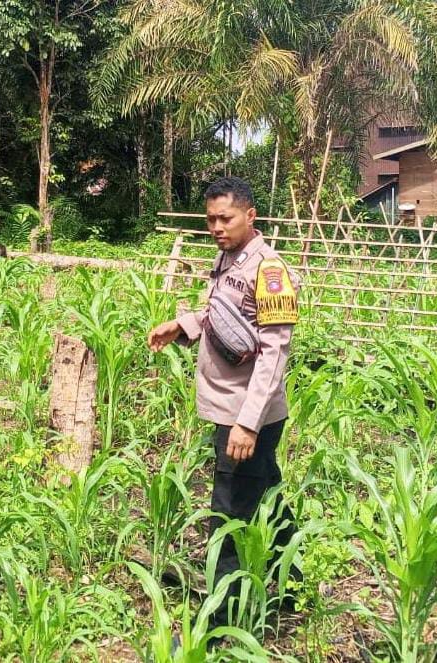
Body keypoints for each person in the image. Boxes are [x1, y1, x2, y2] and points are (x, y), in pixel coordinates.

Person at [147, 176, 302, 629]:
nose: (216, 226)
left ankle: (214, 624)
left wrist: (248, 423)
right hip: (230, 408)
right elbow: (223, 312)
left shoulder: (270, 271)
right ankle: (294, 582)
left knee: (229, 514)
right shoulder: (228, 256)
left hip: (245, 414)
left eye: (225, 218)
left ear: (250, 216)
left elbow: (275, 352)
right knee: (267, 494)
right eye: (211, 218)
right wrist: (182, 325)